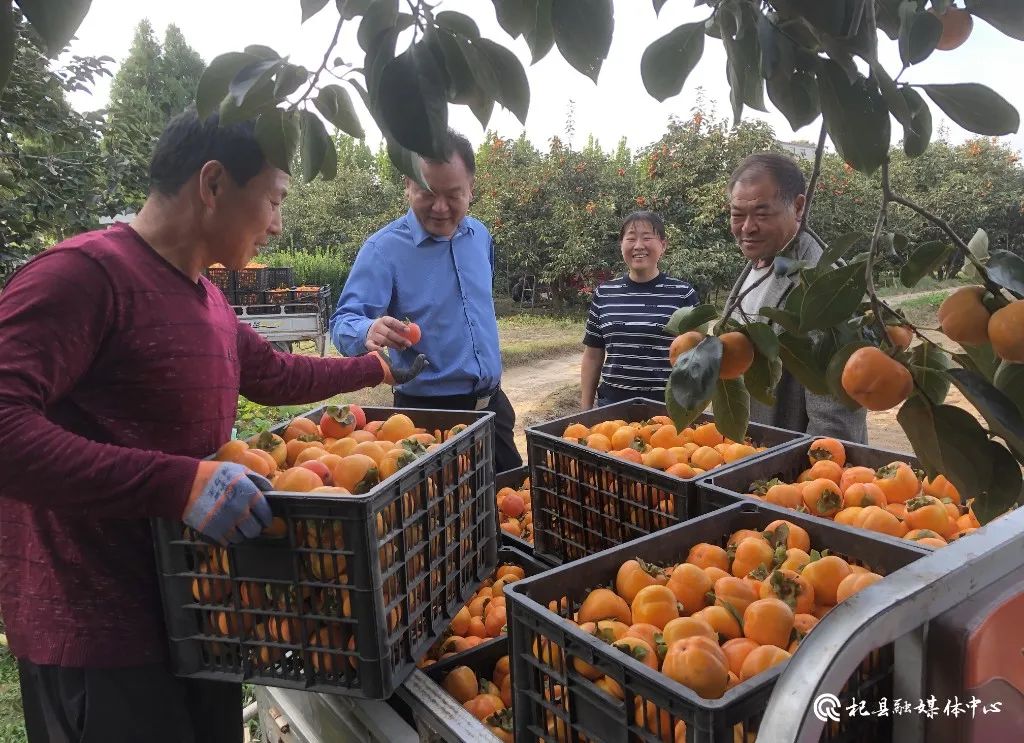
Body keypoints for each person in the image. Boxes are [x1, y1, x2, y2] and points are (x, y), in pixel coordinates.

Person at [0, 109, 421, 743]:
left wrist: (372, 367)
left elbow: (274, 374)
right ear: (214, 183)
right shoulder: (84, 276)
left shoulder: (206, 296)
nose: (278, 224)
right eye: (274, 201)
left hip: (200, 616)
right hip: (101, 638)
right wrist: (178, 484)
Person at [330, 130, 523, 472]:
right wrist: (367, 329)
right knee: (444, 519)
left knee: (514, 509)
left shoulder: (479, 236)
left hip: (493, 408)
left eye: (454, 195)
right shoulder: (383, 250)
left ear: (471, 189)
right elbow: (343, 322)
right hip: (428, 419)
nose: (440, 207)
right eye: (428, 193)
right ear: (408, 184)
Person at [724, 152, 867, 442]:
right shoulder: (760, 261)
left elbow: (834, 420)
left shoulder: (823, 287)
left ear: (798, 206)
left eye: (762, 214)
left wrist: (802, 480)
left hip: (790, 474)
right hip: (752, 459)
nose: (747, 227)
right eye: (738, 214)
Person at [581, 211, 699, 409]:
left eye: (647, 238)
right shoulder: (604, 293)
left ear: (663, 245)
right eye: (631, 238)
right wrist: (585, 411)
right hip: (612, 405)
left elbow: (697, 356)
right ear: (621, 245)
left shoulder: (683, 294)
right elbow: (593, 355)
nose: (638, 246)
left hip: (667, 407)